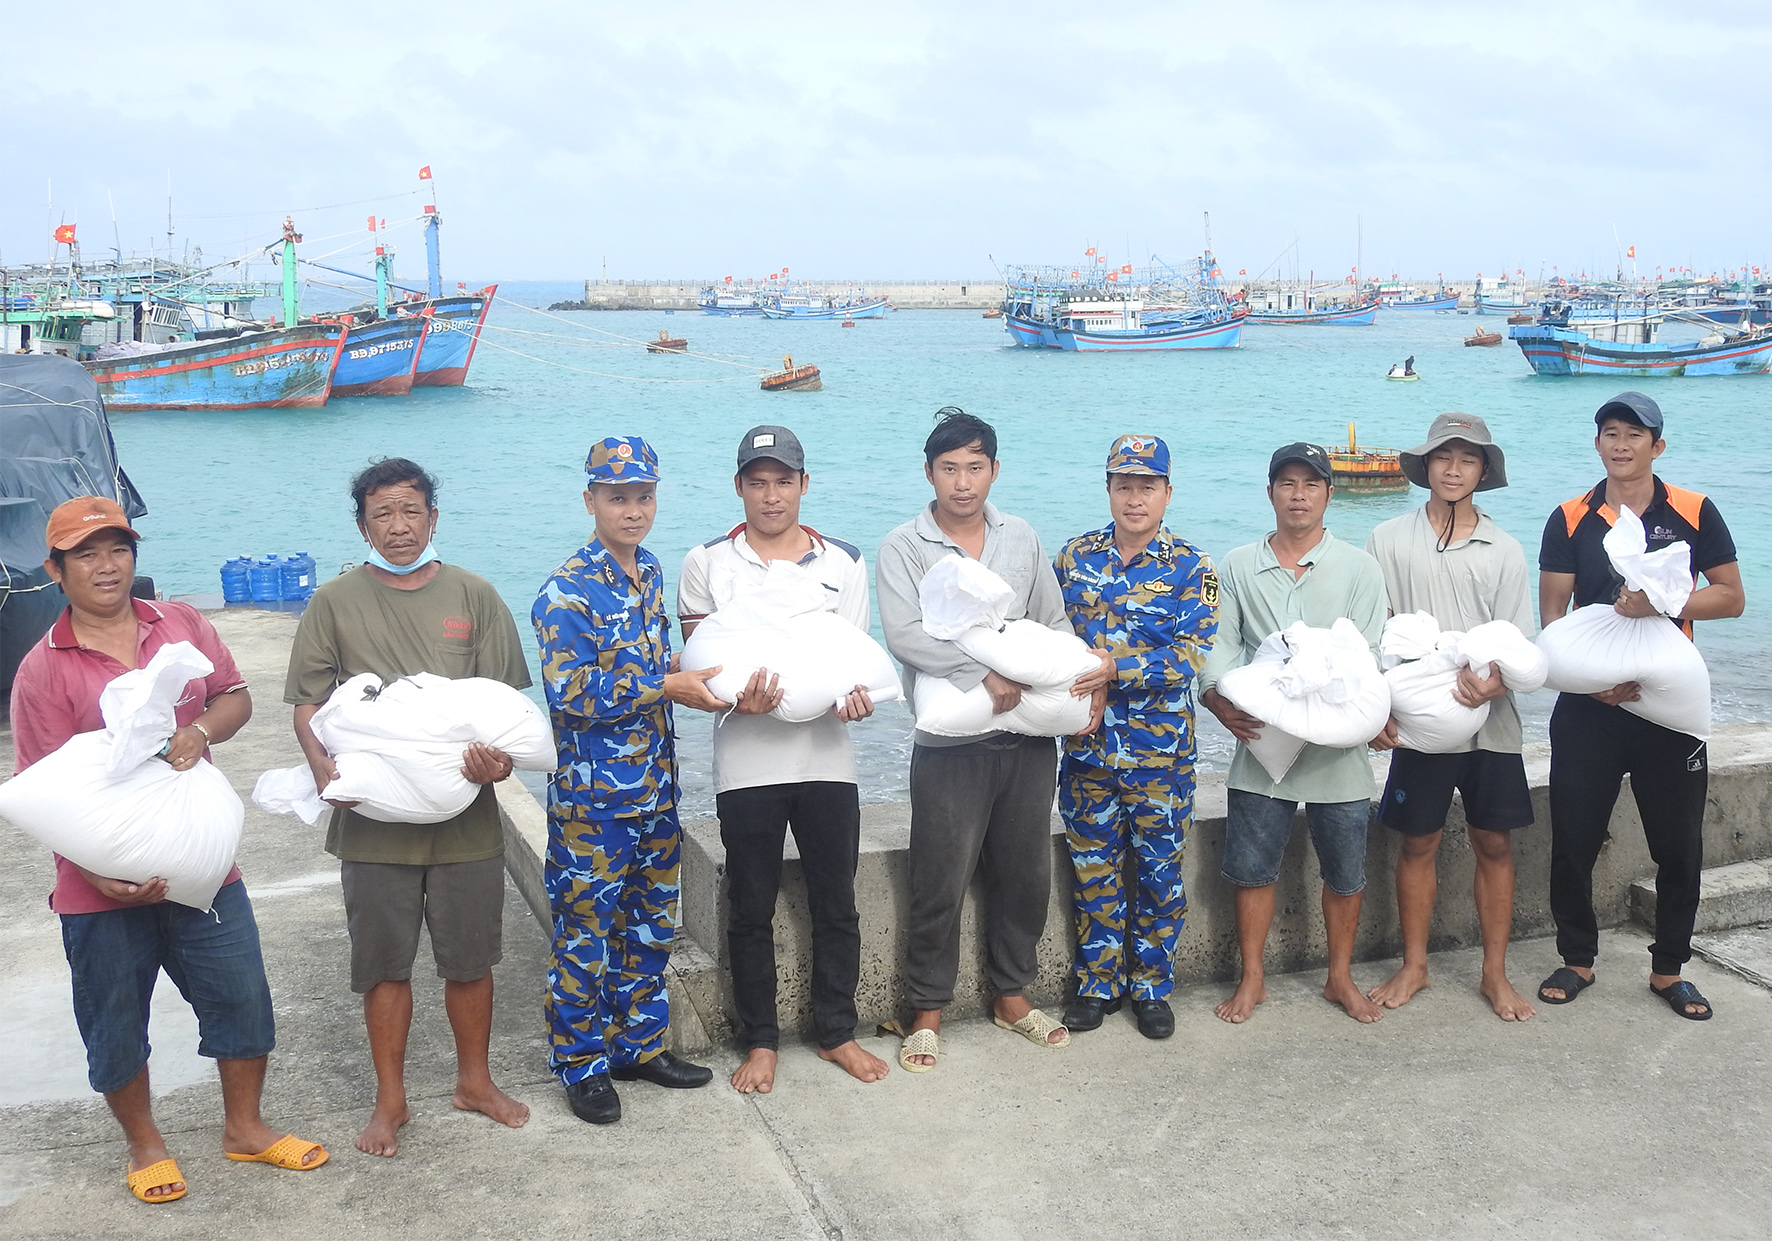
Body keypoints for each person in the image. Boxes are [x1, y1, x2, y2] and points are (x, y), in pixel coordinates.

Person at [12, 496, 326, 1204]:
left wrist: (202, 732)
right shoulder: (43, 670)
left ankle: (245, 1127)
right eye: (86, 553)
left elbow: (235, 697)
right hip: (99, 890)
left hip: (203, 863)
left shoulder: (179, 624)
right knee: (115, 1018)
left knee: (241, 995)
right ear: (55, 569)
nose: (107, 564)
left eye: (118, 548)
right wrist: (98, 871)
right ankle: (144, 1142)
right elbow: (40, 793)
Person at [286, 458, 531, 1156]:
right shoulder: (333, 602)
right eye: (383, 513)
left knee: (471, 958)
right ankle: (390, 1099)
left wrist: (501, 762)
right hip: (371, 825)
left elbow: (507, 709)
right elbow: (309, 706)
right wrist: (321, 761)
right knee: (383, 964)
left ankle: (474, 1081)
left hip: (466, 821)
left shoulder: (475, 595)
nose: (398, 526)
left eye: (411, 510)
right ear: (362, 523)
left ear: (433, 517)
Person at [876, 407, 1097, 1072]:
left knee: (1025, 873)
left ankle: (1011, 995)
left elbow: (1050, 617)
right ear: (929, 472)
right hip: (951, 746)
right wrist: (984, 673)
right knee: (939, 876)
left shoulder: (1021, 536)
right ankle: (926, 1011)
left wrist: (1068, 681)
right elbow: (905, 634)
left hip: (1027, 738)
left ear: (994, 470)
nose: (962, 481)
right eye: (949, 468)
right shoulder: (904, 546)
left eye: (975, 467)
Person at [677, 425, 889, 1093]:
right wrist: (738, 697)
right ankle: (760, 1039)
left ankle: (836, 1032)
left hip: (828, 761)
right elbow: (699, 676)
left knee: (837, 904)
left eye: (783, 480)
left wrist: (856, 700)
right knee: (750, 906)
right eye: (757, 480)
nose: (771, 494)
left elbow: (850, 663)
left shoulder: (845, 562)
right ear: (739, 485)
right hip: (747, 765)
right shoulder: (706, 563)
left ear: (804, 484)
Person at [534, 436, 724, 1124]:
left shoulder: (647, 570)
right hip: (593, 806)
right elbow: (570, 690)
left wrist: (687, 675)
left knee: (648, 930)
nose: (633, 509)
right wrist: (665, 683)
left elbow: (658, 665)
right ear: (590, 500)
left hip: (654, 793)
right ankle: (580, 1062)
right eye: (618, 497)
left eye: (643, 496)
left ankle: (638, 1045)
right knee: (585, 937)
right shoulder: (566, 590)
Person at [1537, 392, 1743, 1020]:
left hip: (1667, 709)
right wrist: (1586, 682)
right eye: (1609, 432)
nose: (1621, 443)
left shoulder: (1694, 511)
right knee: (1573, 838)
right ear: (1597, 444)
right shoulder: (1570, 517)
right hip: (1591, 709)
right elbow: (1552, 616)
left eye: (1635, 433)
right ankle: (1577, 958)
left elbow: (1730, 597)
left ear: (1658, 445)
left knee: (1678, 845)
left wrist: (1663, 604)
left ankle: (1668, 970)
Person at [1199, 443, 1389, 1024]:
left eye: (1311, 483)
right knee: (1252, 868)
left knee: (1346, 872)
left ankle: (1340, 978)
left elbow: (1370, 652)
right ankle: (1252, 979)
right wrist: (1214, 699)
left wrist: (1353, 708)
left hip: (1339, 752)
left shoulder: (1359, 568)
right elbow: (1219, 645)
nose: (1299, 494)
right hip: (1263, 744)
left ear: (1330, 493)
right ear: (1271, 492)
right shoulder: (1234, 566)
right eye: (1287, 483)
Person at [1365, 414, 1538, 1021]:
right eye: (1443, 457)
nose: (1454, 469)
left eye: (1468, 459)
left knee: (1494, 841)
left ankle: (1495, 974)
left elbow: (1520, 640)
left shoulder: (1506, 549)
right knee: (1418, 841)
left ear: (1483, 471)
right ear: (1426, 466)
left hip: (1491, 721)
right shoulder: (1387, 539)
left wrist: (1491, 683)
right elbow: (1373, 632)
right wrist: (1376, 712)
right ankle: (1415, 965)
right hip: (1417, 722)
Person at [1054, 435, 1218, 1041]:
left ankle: (1151, 987)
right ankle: (1097, 984)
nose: (1134, 497)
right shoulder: (1073, 558)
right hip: (1088, 752)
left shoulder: (1195, 567)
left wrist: (1115, 669)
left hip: (1161, 759)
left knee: (1158, 875)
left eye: (1147, 485)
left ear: (1168, 492)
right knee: (1093, 870)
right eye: (1124, 484)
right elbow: (1049, 640)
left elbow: (1191, 656)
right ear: (1108, 489)